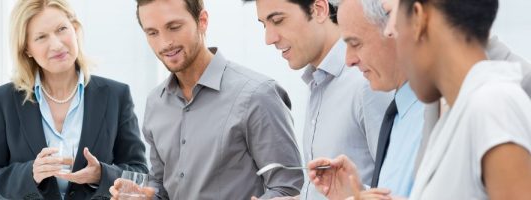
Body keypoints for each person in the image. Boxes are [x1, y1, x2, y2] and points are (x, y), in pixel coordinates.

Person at [310, 0, 531, 199]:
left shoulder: (493, 104)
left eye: (391, 14)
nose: (389, 31)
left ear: (417, 18)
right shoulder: (454, 114)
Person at [110, 0, 304, 199]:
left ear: (202, 21)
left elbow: (286, 188)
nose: (164, 42)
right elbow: (160, 186)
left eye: (174, 27)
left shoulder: (258, 95)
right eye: (152, 33)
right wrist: (145, 196)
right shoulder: (155, 103)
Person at [0, 0, 148, 199]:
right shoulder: (3, 100)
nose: (56, 44)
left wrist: (102, 174)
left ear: (75, 29)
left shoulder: (116, 95)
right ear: (27, 49)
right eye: (41, 37)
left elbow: (139, 173)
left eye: (62, 29)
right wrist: (31, 173)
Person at [242, 0, 393, 199]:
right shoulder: (317, 83)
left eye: (278, 20)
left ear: (319, 10)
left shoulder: (366, 82)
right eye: (264, 24)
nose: (269, 38)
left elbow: (396, 189)